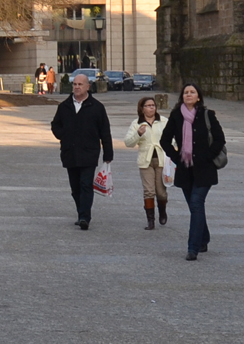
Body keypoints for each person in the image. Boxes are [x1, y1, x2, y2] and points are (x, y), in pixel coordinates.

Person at [159, 83, 225, 260]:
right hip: (185, 169)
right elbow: (164, 140)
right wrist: (176, 157)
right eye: (186, 92)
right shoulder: (176, 116)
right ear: (182, 96)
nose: (189, 95)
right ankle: (204, 238)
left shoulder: (207, 115)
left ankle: (193, 248)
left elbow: (220, 139)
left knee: (196, 203)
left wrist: (207, 157)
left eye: (192, 92)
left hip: (205, 169)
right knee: (195, 207)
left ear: (198, 97)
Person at [50, 71, 113, 230]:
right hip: (70, 152)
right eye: (75, 84)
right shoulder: (64, 106)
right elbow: (55, 125)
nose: (77, 87)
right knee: (75, 187)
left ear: (87, 86)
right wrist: (63, 135)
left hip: (89, 152)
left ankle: (85, 216)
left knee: (86, 184)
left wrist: (108, 153)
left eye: (80, 84)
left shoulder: (97, 107)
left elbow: (105, 131)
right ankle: (81, 212)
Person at [120, 95, 170, 230]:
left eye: (153, 105)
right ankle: (150, 220)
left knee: (161, 192)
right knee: (149, 191)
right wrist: (138, 134)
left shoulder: (164, 121)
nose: (151, 108)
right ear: (142, 109)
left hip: (161, 160)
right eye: (148, 106)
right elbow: (128, 143)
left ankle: (162, 210)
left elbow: (173, 138)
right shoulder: (137, 123)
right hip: (145, 161)